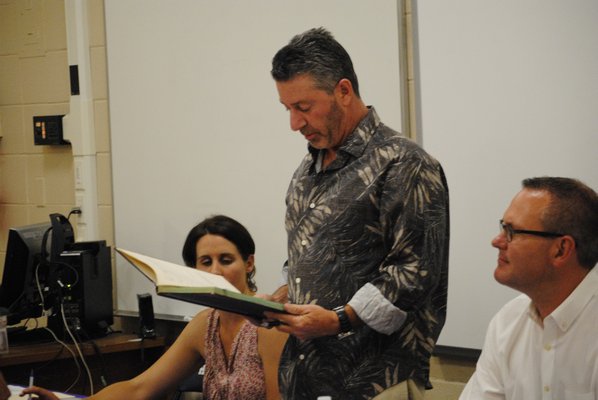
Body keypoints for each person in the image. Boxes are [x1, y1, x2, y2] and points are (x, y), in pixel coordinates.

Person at [263, 27, 450, 399]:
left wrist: (338, 320)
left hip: (376, 381)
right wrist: (280, 299)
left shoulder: (404, 163)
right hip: (307, 380)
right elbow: (314, 261)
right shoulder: (305, 173)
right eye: (288, 109)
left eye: (303, 107)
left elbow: (413, 273)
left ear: (343, 91)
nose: (294, 124)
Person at [23, 215, 288, 400]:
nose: (215, 271)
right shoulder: (204, 324)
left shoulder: (267, 325)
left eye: (226, 260)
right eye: (205, 262)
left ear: (249, 263)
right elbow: (140, 388)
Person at [460, 177, 598, 399]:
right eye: (502, 227)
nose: (497, 241)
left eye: (511, 231)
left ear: (561, 249)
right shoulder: (507, 322)